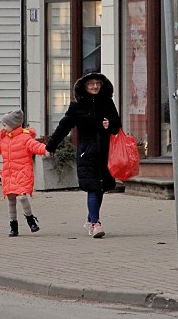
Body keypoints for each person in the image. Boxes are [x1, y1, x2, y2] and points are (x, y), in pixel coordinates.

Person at [45, 69, 121, 239]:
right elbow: (64, 126)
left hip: (106, 153)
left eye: (97, 83)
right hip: (86, 153)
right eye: (91, 84)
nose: (95, 86)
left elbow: (117, 125)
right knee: (93, 187)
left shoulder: (107, 102)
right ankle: (95, 223)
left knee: (101, 187)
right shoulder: (77, 106)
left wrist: (110, 124)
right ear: (84, 86)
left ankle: (90, 220)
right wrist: (51, 146)